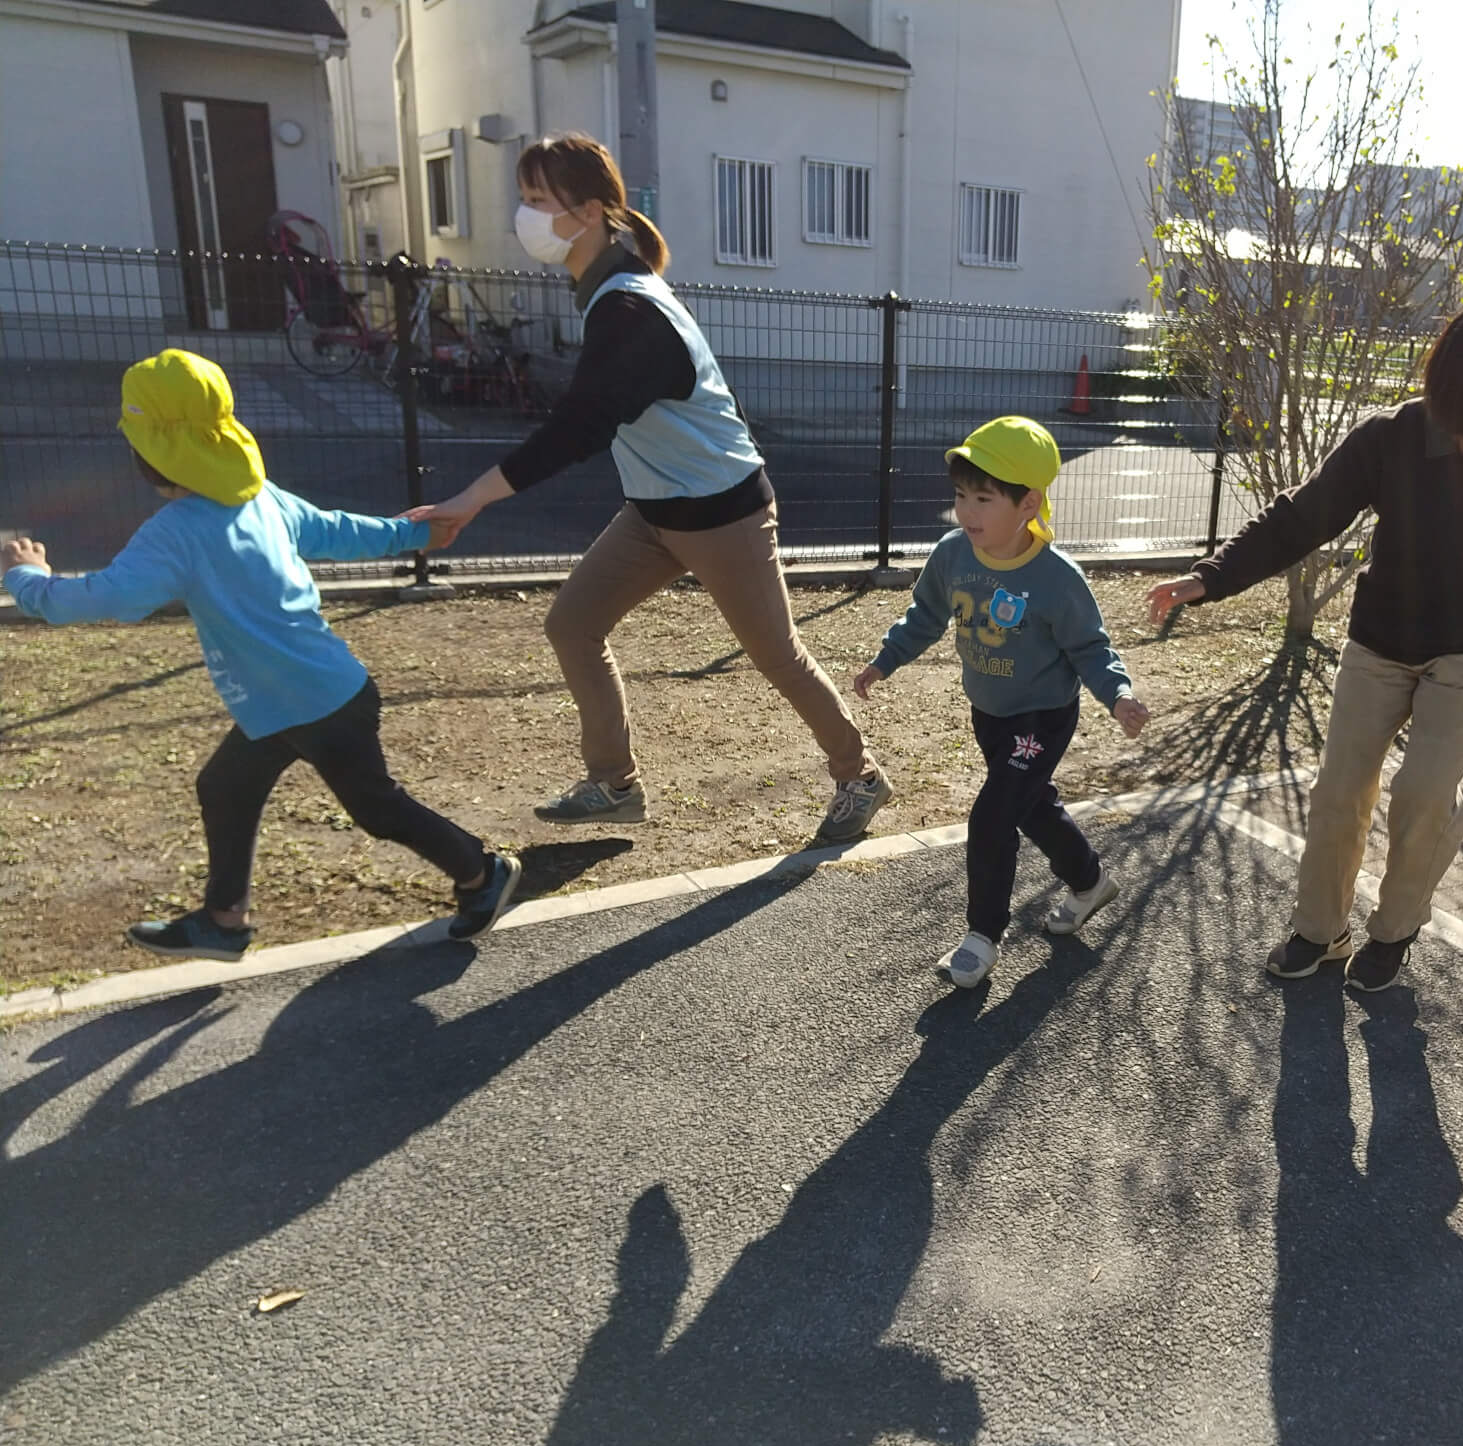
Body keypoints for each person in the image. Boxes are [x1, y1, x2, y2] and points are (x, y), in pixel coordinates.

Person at [1146, 297, 1463, 992]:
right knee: (1340, 793)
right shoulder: (1394, 437)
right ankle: (1318, 931)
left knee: (1421, 794)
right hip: (1381, 641)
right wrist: (1214, 577)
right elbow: (1305, 514)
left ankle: (1395, 929)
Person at [410, 131, 890, 844]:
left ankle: (860, 775)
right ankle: (613, 783)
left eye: (541, 200)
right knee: (572, 624)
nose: (527, 214)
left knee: (776, 655)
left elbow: (578, 427)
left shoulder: (629, 306)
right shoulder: (609, 289)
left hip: (723, 514)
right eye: (526, 198)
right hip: (655, 512)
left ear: (595, 210)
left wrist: (469, 499)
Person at [1, 349, 519, 961]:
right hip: (297, 698)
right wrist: (413, 532)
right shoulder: (261, 497)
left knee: (377, 808)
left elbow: (101, 598)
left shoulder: (176, 532)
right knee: (224, 786)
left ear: (149, 453)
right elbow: (335, 528)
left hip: (312, 705)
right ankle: (224, 921)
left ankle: (484, 873)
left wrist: (27, 578)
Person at [855, 418, 1150, 987]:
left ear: (1027, 503)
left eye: (984, 498)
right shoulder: (953, 554)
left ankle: (982, 937)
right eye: (961, 495)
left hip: (1042, 715)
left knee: (994, 815)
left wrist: (1118, 695)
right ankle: (1089, 881)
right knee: (1032, 805)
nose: (968, 512)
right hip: (989, 713)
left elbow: (1090, 647)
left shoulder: (1056, 578)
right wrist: (885, 660)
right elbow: (924, 616)